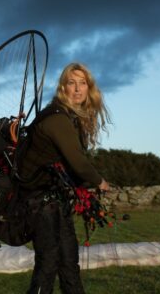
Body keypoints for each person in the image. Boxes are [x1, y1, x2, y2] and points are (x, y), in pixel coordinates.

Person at [19, 62, 111, 294]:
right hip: (38, 202)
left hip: (56, 200)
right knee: (48, 263)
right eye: (72, 83)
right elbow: (78, 162)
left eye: (83, 83)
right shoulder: (57, 119)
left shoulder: (69, 117)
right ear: (63, 88)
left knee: (69, 260)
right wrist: (99, 182)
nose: (78, 89)